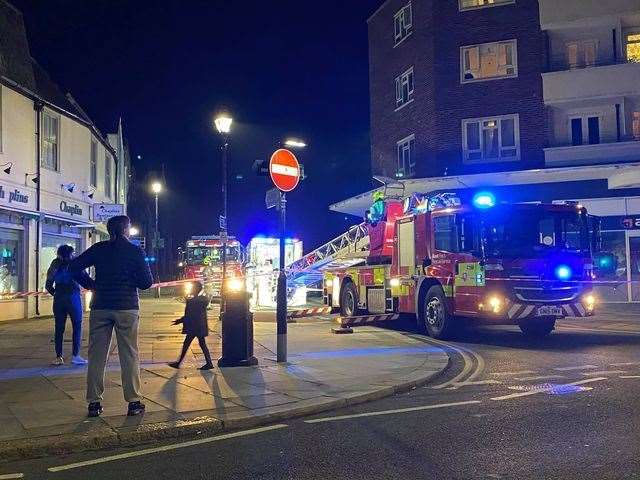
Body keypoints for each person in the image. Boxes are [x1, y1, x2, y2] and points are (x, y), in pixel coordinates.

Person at [69, 215, 153, 418]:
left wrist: (90, 284)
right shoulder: (135, 251)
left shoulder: (99, 248)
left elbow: (73, 267)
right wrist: (130, 278)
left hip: (101, 306)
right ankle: (133, 402)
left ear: (109, 231)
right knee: (129, 354)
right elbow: (146, 282)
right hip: (126, 307)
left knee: (96, 356)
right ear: (126, 230)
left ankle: (94, 403)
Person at [45, 244, 95, 366]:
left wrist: (56, 294)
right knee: (77, 326)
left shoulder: (54, 264)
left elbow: (48, 285)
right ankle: (75, 355)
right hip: (73, 298)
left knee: (59, 328)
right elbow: (85, 279)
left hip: (59, 298)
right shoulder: (74, 263)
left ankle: (58, 357)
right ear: (71, 253)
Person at [169, 281, 213, 370]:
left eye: (192, 288)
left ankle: (178, 363)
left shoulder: (192, 302)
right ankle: (209, 363)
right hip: (200, 326)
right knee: (202, 344)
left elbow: (189, 315)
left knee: (187, 344)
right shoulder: (203, 300)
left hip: (193, 327)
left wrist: (179, 321)